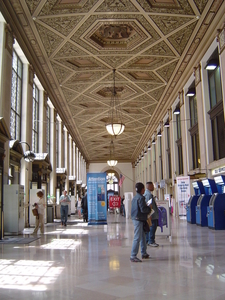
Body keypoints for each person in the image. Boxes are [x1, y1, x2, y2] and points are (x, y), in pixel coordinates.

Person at [130, 182, 151, 262]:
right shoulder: (141, 198)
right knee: (137, 237)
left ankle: (144, 252)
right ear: (142, 189)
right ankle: (133, 255)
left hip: (135, 218)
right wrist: (149, 208)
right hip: (139, 219)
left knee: (143, 236)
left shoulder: (135, 197)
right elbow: (143, 209)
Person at [144, 182, 159, 247]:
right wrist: (150, 215)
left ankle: (147, 240)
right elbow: (149, 205)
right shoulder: (148, 195)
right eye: (152, 186)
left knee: (149, 228)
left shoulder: (147, 194)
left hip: (151, 214)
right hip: (152, 215)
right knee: (152, 228)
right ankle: (151, 241)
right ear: (149, 186)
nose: (153, 187)